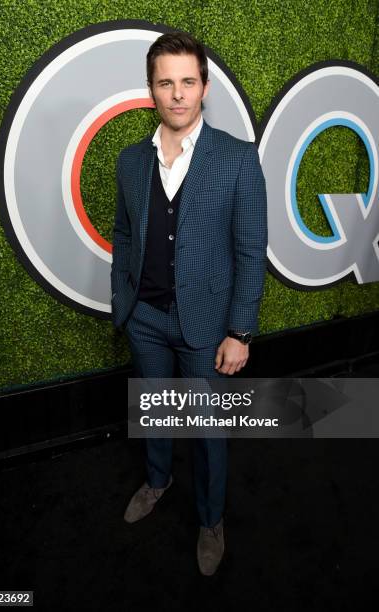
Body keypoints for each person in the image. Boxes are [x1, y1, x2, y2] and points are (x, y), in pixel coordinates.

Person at [110, 30, 267, 576]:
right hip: (146, 320)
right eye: (165, 83)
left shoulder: (237, 158)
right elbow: (124, 236)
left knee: (206, 432)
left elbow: (251, 252)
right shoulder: (132, 161)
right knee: (152, 413)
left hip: (209, 328)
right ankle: (157, 481)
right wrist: (123, 302)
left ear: (203, 88)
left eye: (188, 82)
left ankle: (210, 519)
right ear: (151, 90)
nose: (177, 93)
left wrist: (239, 332)